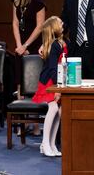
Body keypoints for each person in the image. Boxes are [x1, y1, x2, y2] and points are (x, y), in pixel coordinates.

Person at [11, 0, 45, 136]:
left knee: (34, 83)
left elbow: (40, 26)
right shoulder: (16, 1)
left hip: (34, 44)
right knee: (20, 83)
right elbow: (15, 23)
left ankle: (36, 124)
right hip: (20, 46)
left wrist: (26, 45)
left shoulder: (37, 0)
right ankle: (22, 123)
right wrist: (19, 45)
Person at [32, 16, 65, 157]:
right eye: (60, 22)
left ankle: (52, 144)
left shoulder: (60, 42)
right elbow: (52, 69)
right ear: (54, 28)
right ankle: (45, 143)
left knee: (58, 111)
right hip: (50, 82)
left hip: (58, 80)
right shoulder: (54, 45)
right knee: (53, 108)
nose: (62, 23)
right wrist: (58, 88)